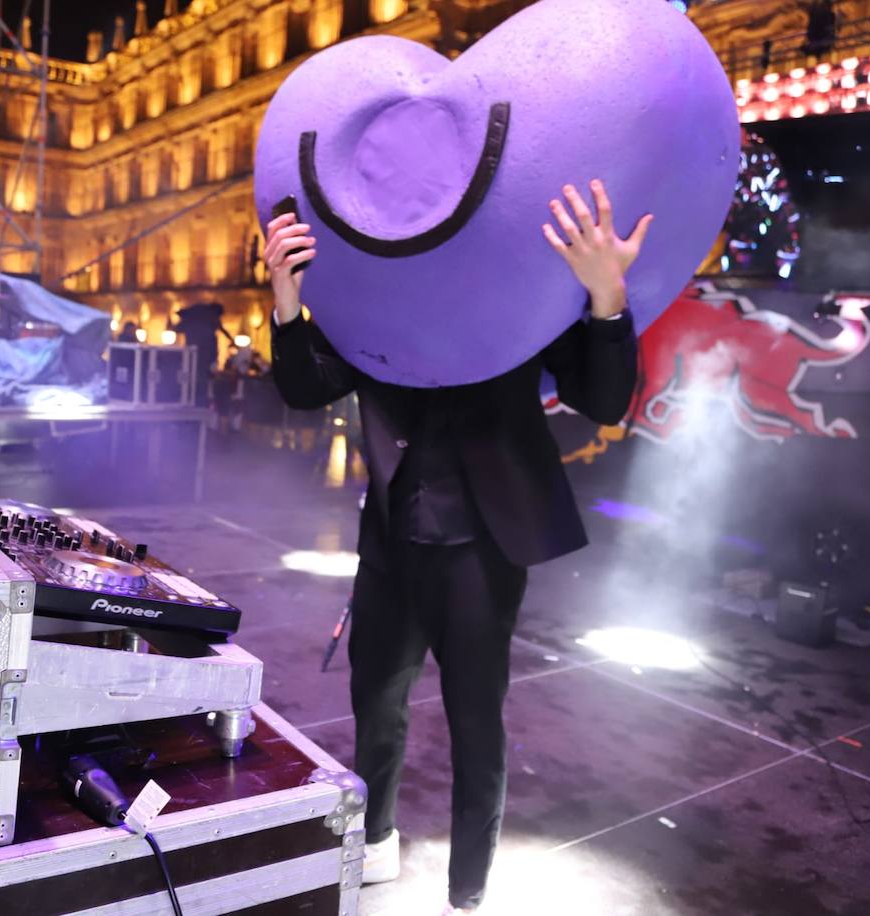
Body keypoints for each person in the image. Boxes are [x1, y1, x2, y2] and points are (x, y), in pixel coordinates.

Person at [265, 180, 649, 914]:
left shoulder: (518, 291)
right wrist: (288, 301)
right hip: (391, 539)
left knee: (477, 716)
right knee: (374, 703)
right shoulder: (376, 295)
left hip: (482, 543)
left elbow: (602, 400)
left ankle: (468, 889)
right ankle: (373, 842)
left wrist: (607, 298)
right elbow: (307, 387)